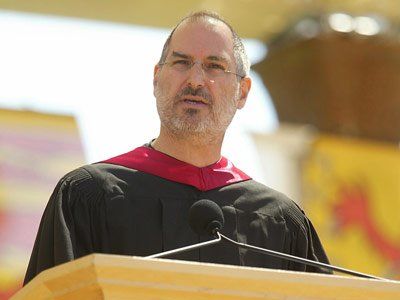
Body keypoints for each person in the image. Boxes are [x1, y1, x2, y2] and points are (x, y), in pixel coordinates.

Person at [24, 10, 331, 285]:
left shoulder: (280, 222)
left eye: (214, 66)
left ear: (243, 92)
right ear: (157, 79)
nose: (195, 80)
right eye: (182, 62)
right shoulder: (88, 196)